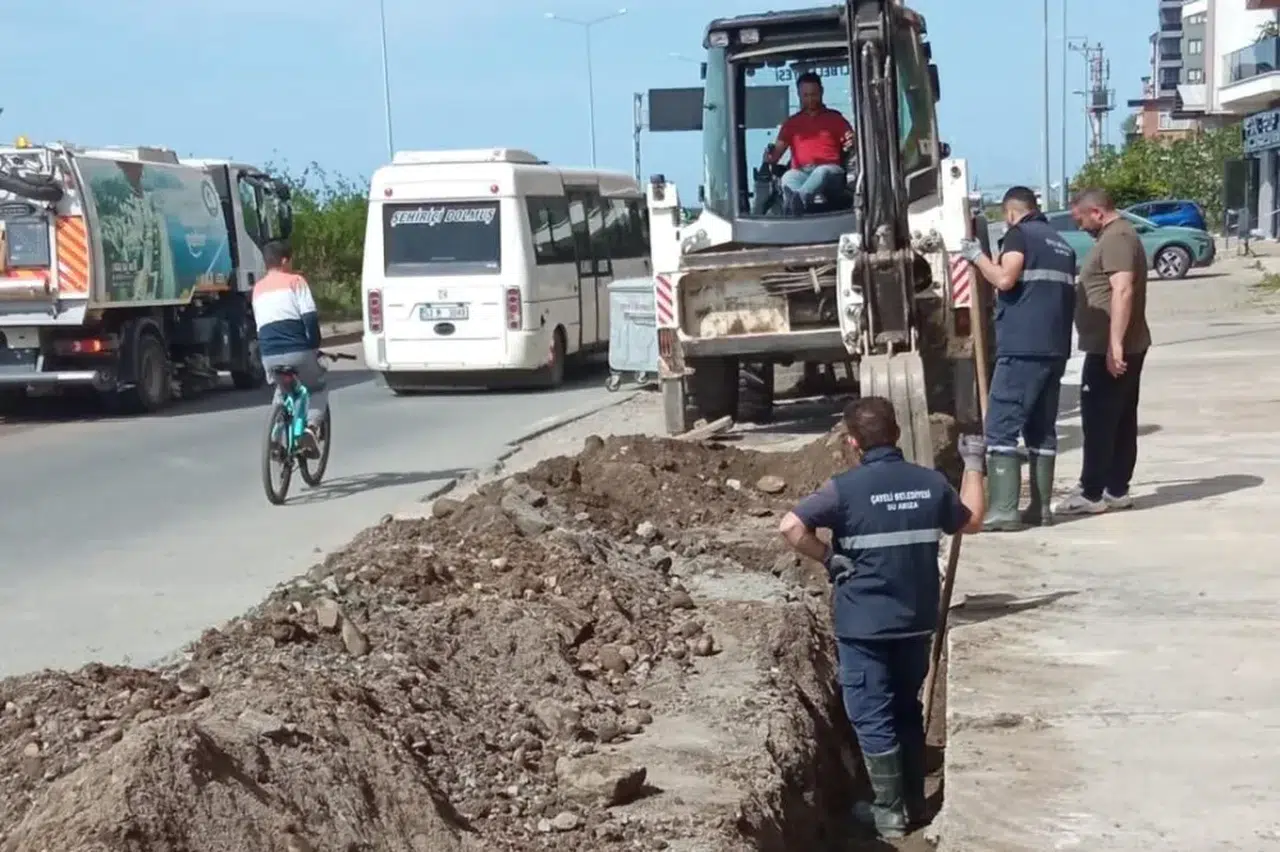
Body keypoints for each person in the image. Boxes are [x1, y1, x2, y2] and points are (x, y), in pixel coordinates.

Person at [778, 397, 987, 837]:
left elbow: (790, 527)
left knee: (872, 712)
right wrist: (973, 463)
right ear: (896, 434)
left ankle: (890, 814)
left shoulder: (843, 489)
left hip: (864, 626)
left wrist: (829, 557)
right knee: (906, 707)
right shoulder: (929, 484)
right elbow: (971, 522)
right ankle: (913, 801)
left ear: (854, 442)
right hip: (915, 621)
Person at [958, 186, 1077, 529]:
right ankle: (1040, 510)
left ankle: (1004, 510)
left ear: (1011, 212)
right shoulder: (1061, 243)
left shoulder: (1018, 235)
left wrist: (977, 257)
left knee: (1000, 427)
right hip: (1055, 348)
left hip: (1023, 346)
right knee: (1041, 429)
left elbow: (1006, 279)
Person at [1054, 187, 1151, 515]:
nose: (1079, 225)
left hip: (1110, 347)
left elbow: (1122, 290)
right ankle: (1116, 489)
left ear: (1097, 212)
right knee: (1121, 419)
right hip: (1120, 344)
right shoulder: (1118, 236)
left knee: (1099, 421)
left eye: (1080, 218)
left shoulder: (1117, 239)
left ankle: (1092, 492)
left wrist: (1115, 345)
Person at [252, 240, 327, 457]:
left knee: (283, 388)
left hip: (268, 355)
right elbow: (310, 318)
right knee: (317, 388)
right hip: (297, 351)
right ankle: (311, 430)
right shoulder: (296, 281)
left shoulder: (257, 289)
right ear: (285, 260)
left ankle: (275, 439)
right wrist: (314, 345)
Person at [767, 71, 856, 215]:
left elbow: (850, 140)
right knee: (788, 177)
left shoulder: (835, 119)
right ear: (799, 95)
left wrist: (851, 141)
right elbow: (776, 154)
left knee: (821, 172)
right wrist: (770, 156)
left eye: (813, 94)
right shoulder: (791, 123)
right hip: (802, 172)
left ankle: (797, 201)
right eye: (805, 95)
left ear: (821, 92)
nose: (810, 99)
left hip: (831, 173)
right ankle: (795, 204)